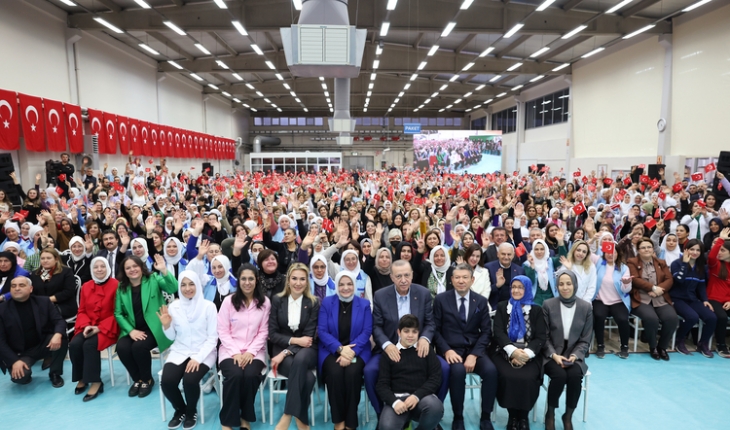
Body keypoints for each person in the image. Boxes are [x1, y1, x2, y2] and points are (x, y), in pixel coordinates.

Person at [365, 260, 449, 416]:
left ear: (412, 275)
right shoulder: (381, 295)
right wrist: (387, 345)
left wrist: (424, 338)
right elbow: (376, 327)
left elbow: (430, 323)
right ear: (391, 277)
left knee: (444, 369)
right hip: (390, 348)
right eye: (398, 276)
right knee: (370, 372)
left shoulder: (423, 293)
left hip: (417, 347)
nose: (403, 280)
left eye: (406, 275)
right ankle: (382, 414)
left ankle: (432, 413)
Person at [433, 263, 496, 430]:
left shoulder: (481, 301)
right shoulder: (441, 300)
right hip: (451, 349)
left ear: (472, 280)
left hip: (474, 349)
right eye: (457, 277)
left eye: (465, 277)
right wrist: (446, 350)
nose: (461, 281)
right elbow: (435, 330)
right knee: (458, 372)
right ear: (452, 280)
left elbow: (486, 332)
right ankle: (458, 417)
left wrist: (474, 355)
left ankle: (486, 417)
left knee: (491, 371)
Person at [158, 271, 218, 430]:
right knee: (167, 381)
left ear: (197, 284)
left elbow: (213, 338)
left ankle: (191, 412)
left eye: (191, 284)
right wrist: (166, 325)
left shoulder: (209, 307)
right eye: (183, 285)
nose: (187, 288)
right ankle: (180, 410)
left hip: (204, 352)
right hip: (180, 350)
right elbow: (172, 336)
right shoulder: (174, 307)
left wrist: (198, 358)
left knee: (190, 380)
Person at [114, 254, 178, 398]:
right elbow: (118, 313)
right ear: (124, 271)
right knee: (122, 348)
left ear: (141, 267)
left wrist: (164, 270)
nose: (132, 270)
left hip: (154, 329)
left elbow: (173, 288)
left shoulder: (153, 279)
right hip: (133, 329)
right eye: (128, 268)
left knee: (138, 347)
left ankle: (147, 379)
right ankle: (138, 379)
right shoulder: (121, 287)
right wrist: (131, 331)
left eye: (135, 266)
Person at [218, 263, 271, 430]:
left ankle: (245, 417)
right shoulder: (228, 301)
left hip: (255, 351)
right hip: (229, 350)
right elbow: (222, 330)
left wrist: (250, 352)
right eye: (243, 279)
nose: (247, 282)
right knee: (234, 375)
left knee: (250, 376)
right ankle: (227, 420)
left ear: (257, 280)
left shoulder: (265, 302)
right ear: (238, 281)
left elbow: (263, 331)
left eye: (251, 279)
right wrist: (235, 353)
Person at [490, 275, 547, 430]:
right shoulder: (503, 307)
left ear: (527, 289)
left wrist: (525, 354)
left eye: (520, 287)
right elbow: (498, 333)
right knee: (507, 376)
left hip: (530, 353)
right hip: (504, 351)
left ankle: (523, 417)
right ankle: (512, 416)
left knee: (528, 377)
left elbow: (541, 337)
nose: (516, 290)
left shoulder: (536, 310)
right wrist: (513, 352)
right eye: (513, 287)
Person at [318, 271, 373, 430]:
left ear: (354, 285)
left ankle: (351, 421)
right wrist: (340, 349)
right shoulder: (327, 302)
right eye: (341, 284)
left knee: (352, 374)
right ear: (336, 286)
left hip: (358, 350)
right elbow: (322, 331)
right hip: (330, 349)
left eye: (349, 284)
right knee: (334, 374)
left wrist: (351, 353)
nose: (345, 288)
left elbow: (366, 331)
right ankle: (339, 421)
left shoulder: (363, 304)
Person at [268, 262, 320, 430]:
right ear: (288, 280)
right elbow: (273, 334)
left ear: (307, 282)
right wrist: (294, 342)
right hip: (283, 347)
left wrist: (284, 353)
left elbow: (308, 338)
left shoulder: (313, 302)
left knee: (301, 359)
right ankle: (301, 418)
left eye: (302, 279)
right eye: (294, 278)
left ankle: (287, 414)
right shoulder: (277, 300)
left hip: (307, 350)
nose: (298, 283)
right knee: (308, 378)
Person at [542, 270, 593, 430]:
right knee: (559, 376)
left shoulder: (586, 307)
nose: (565, 287)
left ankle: (568, 416)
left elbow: (586, 339)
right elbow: (544, 336)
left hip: (574, 355)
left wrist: (575, 356)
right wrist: (553, 355)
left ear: (575, 285)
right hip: (551, 354)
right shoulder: (548, 305)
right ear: (557, 286)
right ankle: (550, 413)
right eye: (561, 284)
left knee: (575, 376)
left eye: (568, 283)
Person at [375, 314, 444, 430]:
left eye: (414, 331)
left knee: (435, 408)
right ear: (399, 332)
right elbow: (382, 385)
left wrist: (416, 396)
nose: (410, 335)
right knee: (386, 427)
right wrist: (394, 402)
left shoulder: (426, 350)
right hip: (398, 400)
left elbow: (435, 378)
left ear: (418, 333)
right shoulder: (389, 353)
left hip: (422, 399)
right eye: (406, 331)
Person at [0, 276, 67, 387]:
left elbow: (59, 321)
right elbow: (0, 342)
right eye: (13, 286)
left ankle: (55, 373)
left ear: (30, 289)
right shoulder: (2, 309)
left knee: (61, 338)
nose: (17, 288)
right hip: (20, 353)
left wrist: (57, 334)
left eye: (21, 285)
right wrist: (14, 361)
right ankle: (26, 372)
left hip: (42, 344)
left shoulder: (43, 302)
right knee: (20, 378)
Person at [69, 257, 119, 402]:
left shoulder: (116, 285)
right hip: (88, 325)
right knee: (75, 344)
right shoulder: (86, 286)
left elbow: (118, 312)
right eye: (96, 267)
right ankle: (82, 377)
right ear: (92, 269)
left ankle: (96, 381)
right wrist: (86, 325)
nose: (99, 269)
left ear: (108, 267)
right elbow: (82, 310)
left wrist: (99, 328)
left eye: (102, 266)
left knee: (89, 345)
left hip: (109, 327)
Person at [626, 238, 678, 361]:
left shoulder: (661, 262)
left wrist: (660, 289)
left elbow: (669, 279)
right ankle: (653, 346)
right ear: (638, 250)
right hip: (641, 299)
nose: (646, 249)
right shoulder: (632, 262)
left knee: (672, 319)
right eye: (643, 247)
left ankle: (662, 347)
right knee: (651, 319)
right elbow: (635, 279)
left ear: (653, 249)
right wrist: (653, 288)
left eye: (649, 247)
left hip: (659, 298)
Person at [592, 243, 633, 359]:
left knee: (622, 319)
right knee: (598, 316)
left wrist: (626, 284)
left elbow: (626, 290)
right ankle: (600, 346)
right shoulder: (599, 263)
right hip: (600, 299)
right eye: (608, 252)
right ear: (604, 253)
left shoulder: (624, 268)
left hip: (618, 301)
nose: (610, 255)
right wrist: (593, 239)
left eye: (613, 252)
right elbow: (588, 251)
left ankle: (624, 347)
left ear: (618, 253)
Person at [29, 248, 78, 321]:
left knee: (43, 315)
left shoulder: (66, 272)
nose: (45, 260)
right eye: (42, 258)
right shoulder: (35, 274)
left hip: (62, 305)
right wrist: (41, 302)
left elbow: (68, 291)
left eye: (48, 258)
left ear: (56, 259)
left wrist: (47, 300)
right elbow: (32, 292)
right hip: (40, 305)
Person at [706, 228, 730, 358]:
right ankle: (721, 345)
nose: (719, 253)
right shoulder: (715, 264)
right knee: (722, 317)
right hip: (713, 299)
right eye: (719, 250)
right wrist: (721, 239)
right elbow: (711, 256)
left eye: (723, 250)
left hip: (728, 300)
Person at [485, 243, 525, 311]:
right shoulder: (488, 268)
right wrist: (497, 286)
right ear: (498, 254)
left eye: (509, 254)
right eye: (503, 254)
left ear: (513, 255)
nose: (506, 257)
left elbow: (524, 290)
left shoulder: (519, 270)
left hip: (514, 307)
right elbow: (484, 291)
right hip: (494, 308)